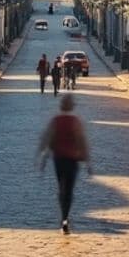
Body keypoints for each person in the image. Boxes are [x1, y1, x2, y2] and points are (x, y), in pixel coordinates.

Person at [37, 94, 91, 233]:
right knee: (69, 189)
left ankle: (63, 217)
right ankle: (66, 217)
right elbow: (82, 140)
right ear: (72, 106)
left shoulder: (56, 120)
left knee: (61, 186)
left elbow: (47, 138)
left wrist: (42, 155)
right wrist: (88, 162)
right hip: (72, 159)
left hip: (59, 159)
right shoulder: (75, 121)